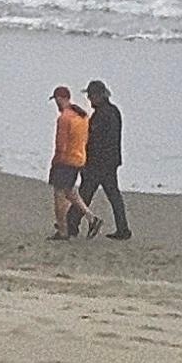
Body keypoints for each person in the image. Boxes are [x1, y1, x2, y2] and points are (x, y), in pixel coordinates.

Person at [77, 78, 130, 241]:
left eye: (91, 96)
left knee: (85, 193)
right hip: (109, 162)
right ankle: (123, 229)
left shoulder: (103, 115)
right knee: (112, 195)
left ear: (99, 96)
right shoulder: (113, 111)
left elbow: (96, 141)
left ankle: (71, 224)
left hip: (99, 163)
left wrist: (86, 161)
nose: (89, 99)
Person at [47, 85, 92, 238]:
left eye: (56, 100)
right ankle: (91, 217)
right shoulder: (82, 116)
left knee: (59, 195)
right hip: (79, 158)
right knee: (70, 191)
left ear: (60, 99)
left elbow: (61, 145)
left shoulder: (64, 118)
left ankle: (62, 230)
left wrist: (55, 162)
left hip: (65, 160)